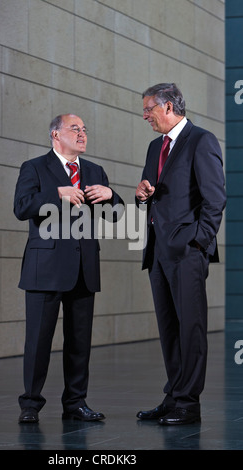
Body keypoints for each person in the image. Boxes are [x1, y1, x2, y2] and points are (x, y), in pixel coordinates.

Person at [14, 113, 124, 424]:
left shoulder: (94, 171)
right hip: (44, 267)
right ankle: (30, 404)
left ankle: (75, 403)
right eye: (74, 128)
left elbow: (116, 217)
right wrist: (56, 194)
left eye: (85, 129)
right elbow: (21, 207)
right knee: (38, 340)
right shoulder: (34, 167)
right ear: (55, 135)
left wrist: (111, 196)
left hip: (83, 268)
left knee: (79, 342)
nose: (82, 134)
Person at [135, 83, 226, 425]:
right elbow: (151, 195)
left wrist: (199, 244)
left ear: (169, 107)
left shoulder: (201, 141)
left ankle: (189, 403)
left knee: (191, 328)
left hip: (187, 251)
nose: (145, 116)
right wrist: (142, 195)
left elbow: (215, 199)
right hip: (158, 252)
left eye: (149, 109)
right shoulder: (153, 147)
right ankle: (174, 396)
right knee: (169, 328)